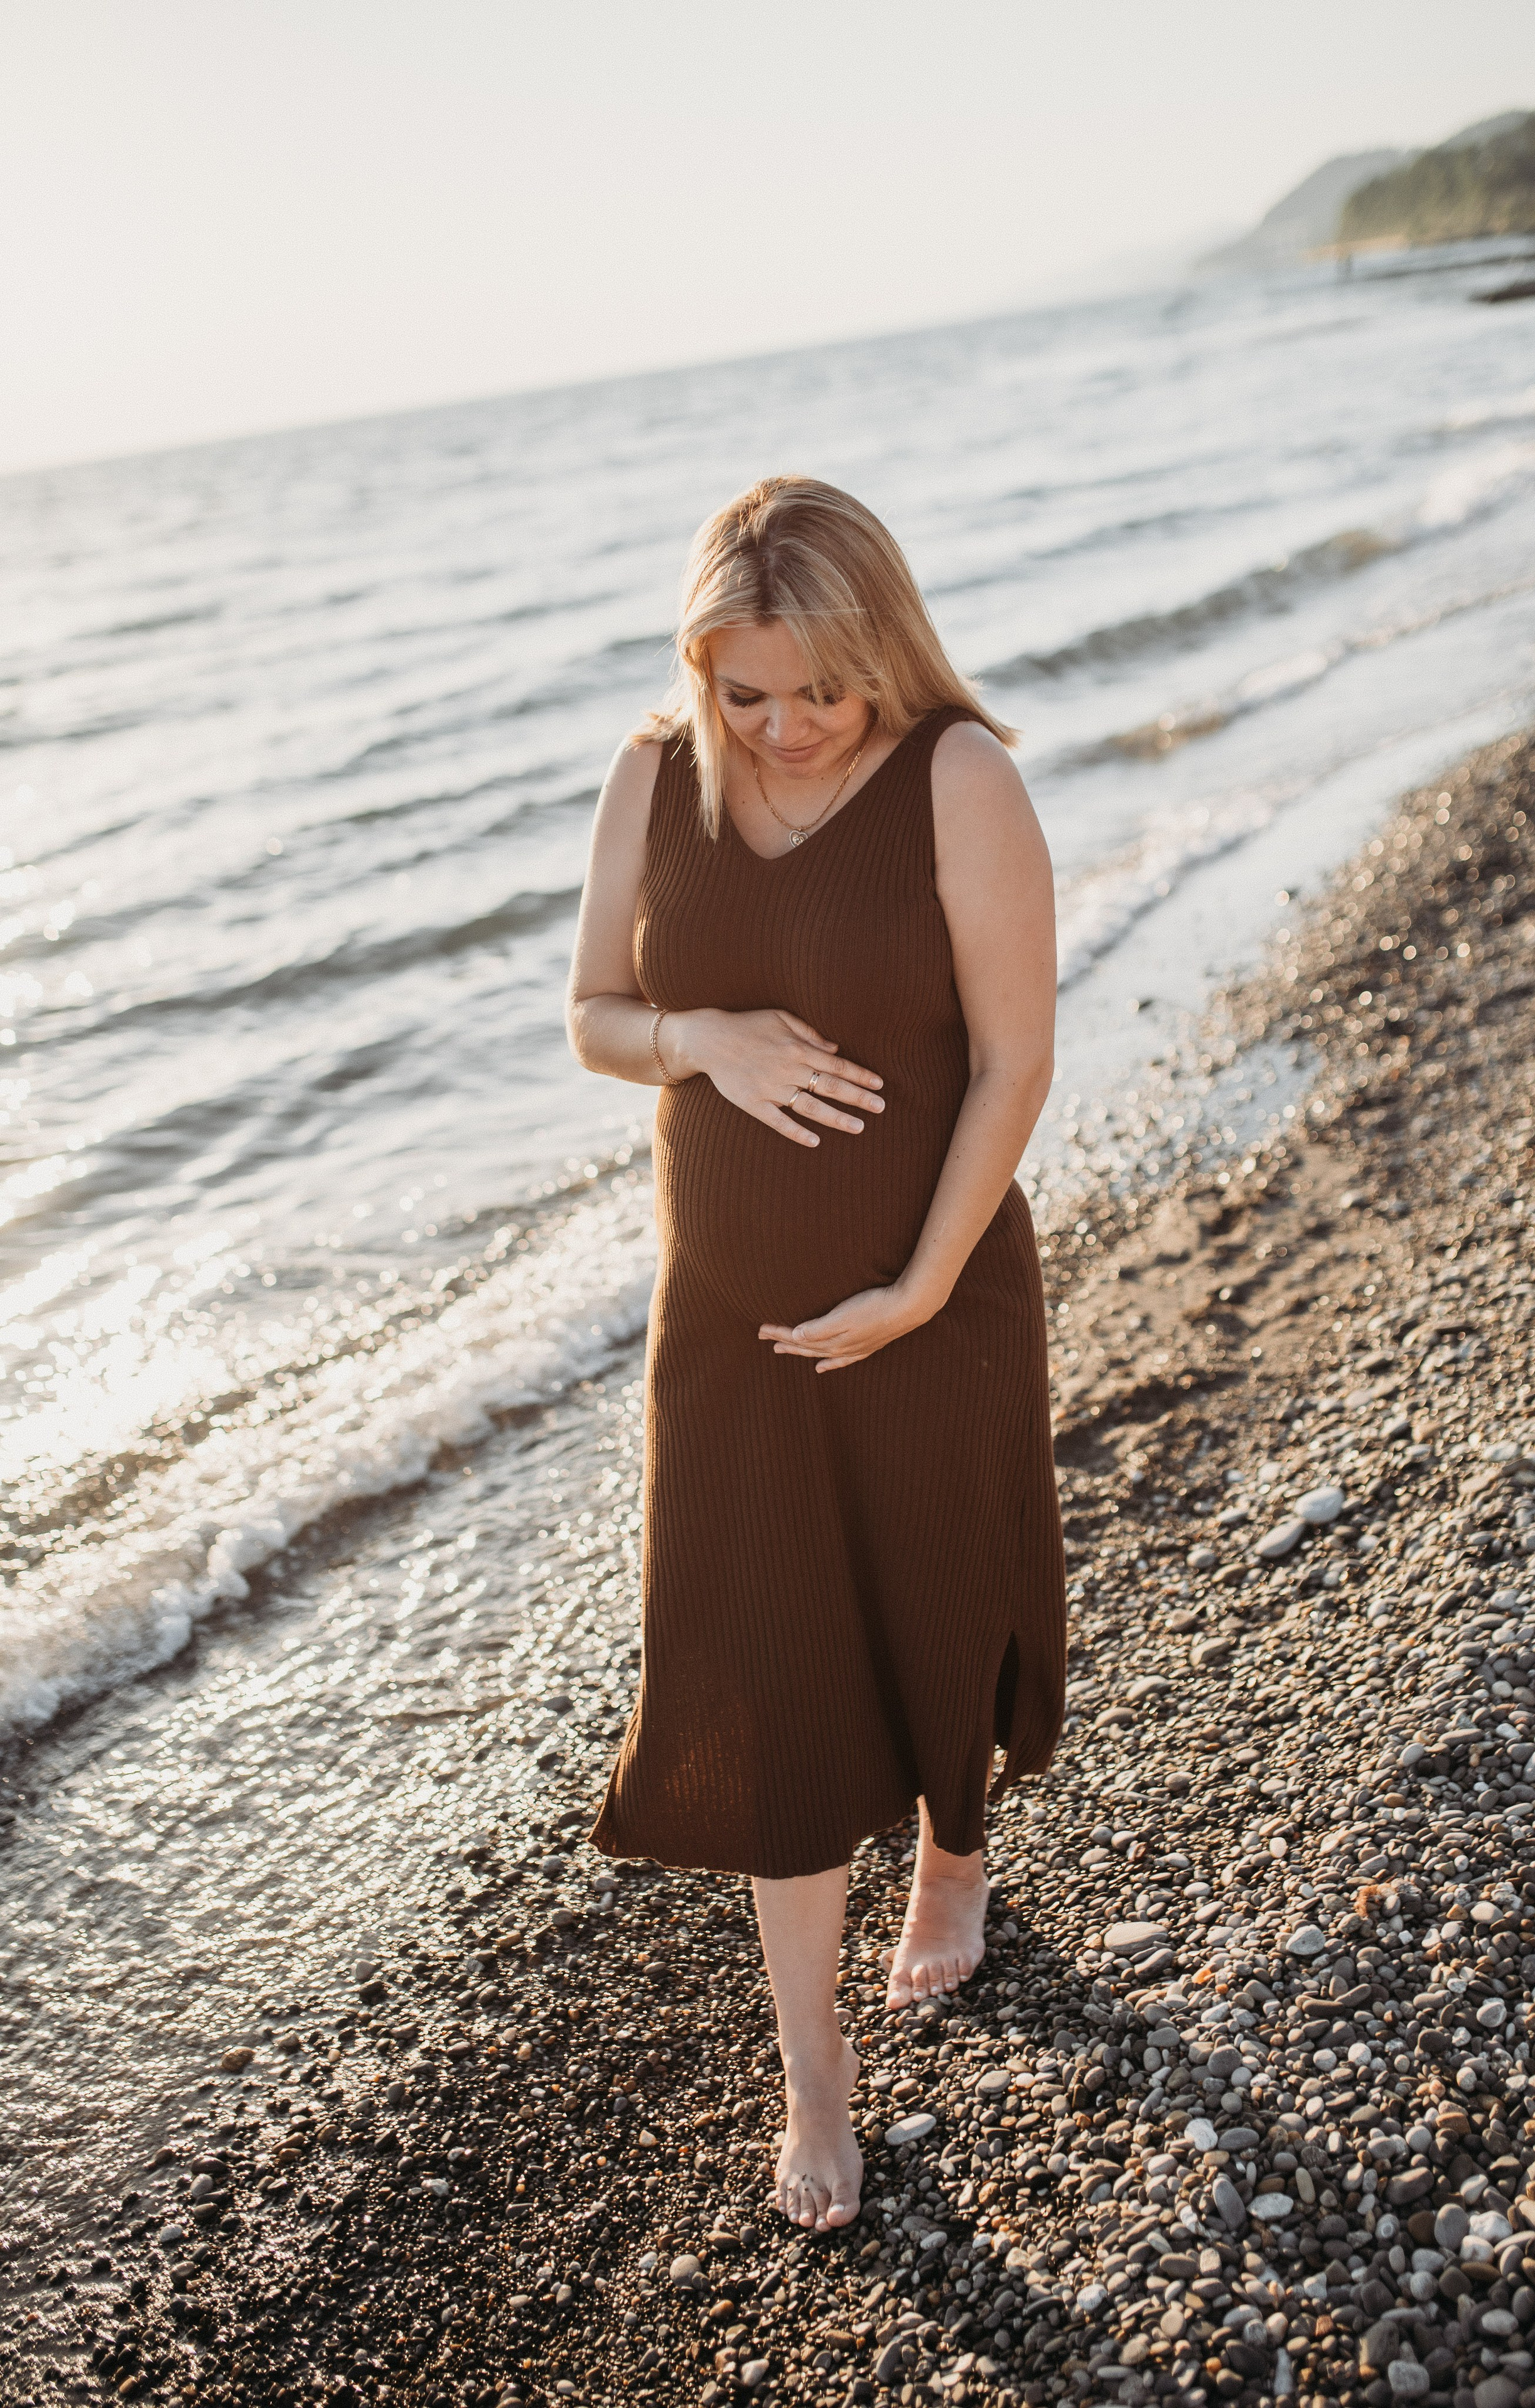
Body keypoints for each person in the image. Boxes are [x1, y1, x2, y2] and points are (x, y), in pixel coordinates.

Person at [566, 475, 1066, 2233]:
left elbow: (1013, 1059)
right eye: (742, 689)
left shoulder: (960, 780)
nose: (777, 728)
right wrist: (698, 1034)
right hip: (728, 1339)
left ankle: (956, 1845)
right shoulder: (656, 773)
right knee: (769, 1677)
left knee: (939, 1597)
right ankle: (816, 2078)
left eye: (815, 692)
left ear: (882, 652)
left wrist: (925, 1282)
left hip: (931, 1301)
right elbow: (592, 1020)